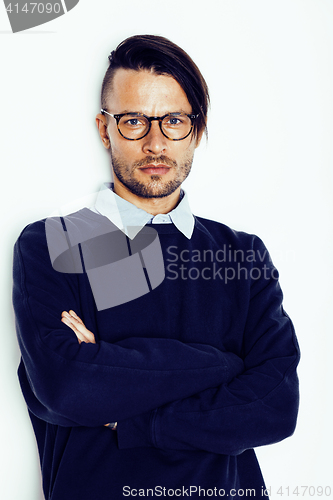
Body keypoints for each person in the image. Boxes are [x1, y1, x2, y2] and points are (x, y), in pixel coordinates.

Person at [12, 35, 300, 500]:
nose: (154, 143)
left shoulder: (242, 255)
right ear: (104, 130)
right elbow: (66, 386)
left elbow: (276, 407)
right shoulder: (51, 244)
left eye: (172, 121)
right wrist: (227, 365)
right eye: (133, 122)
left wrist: (129, 411)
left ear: (197, 131)